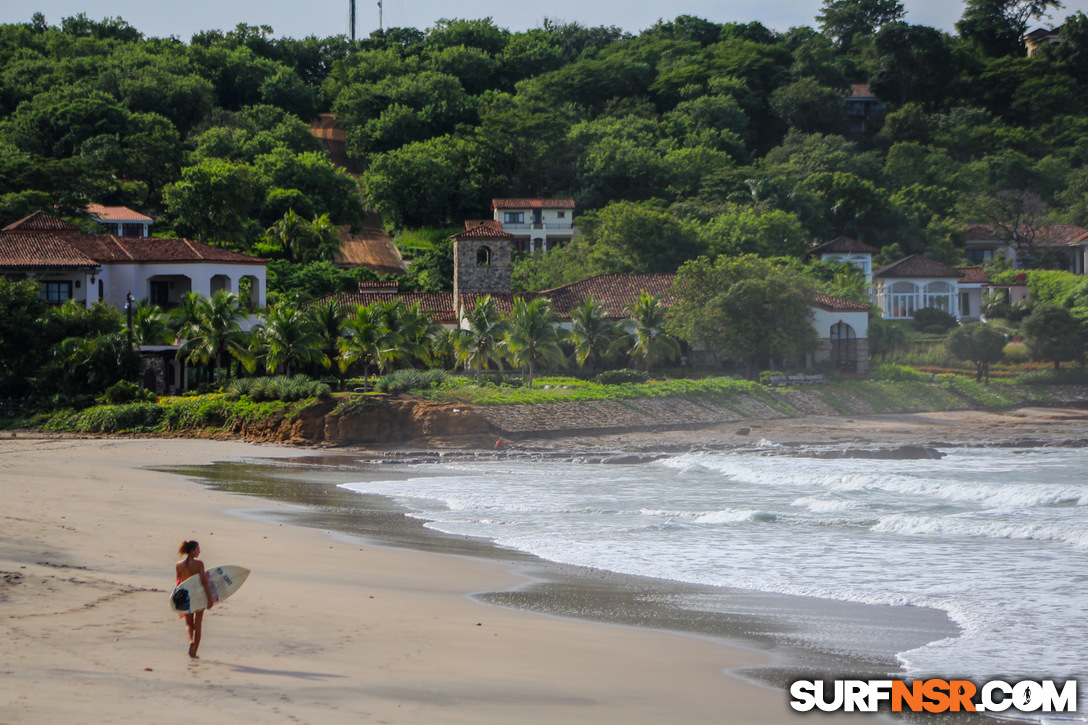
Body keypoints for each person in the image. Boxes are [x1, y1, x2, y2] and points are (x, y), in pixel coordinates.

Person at [175, 540, 214, 659]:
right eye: (198, 549)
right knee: (198, 625)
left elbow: (178, 584)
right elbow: (204, 582)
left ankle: (190, 642)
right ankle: (194, 652)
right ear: (192, 551)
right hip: (199, 596)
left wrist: (177, 600)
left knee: (188, 624)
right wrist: (210, 598)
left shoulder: (179, 565)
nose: (199, 551)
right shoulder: (199, 564)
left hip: (186, 596)